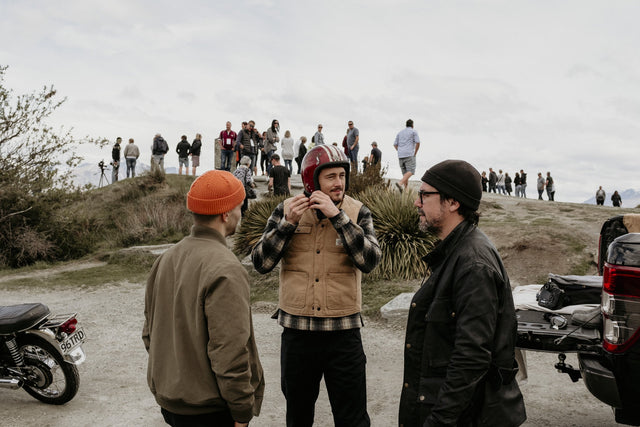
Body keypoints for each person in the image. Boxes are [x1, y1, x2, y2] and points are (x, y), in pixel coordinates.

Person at [251, 144, 381, 426]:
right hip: (298, 335)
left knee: (353, 418)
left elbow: (370, 260)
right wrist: (287, 225)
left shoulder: (357, 212)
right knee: (298, 417)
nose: (339, 183)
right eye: (331, 177)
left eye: (342, 176)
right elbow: (261, 263)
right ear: (312, 181)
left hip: (344, 335)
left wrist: (339, 218)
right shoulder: (286, 210)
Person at [399, 159, 526, 427]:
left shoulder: (473, 263)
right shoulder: (455, 251)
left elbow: (471, 355)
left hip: (465, 418)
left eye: (425, 194)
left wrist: (440, 420)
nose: (417, 203)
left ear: (453, 202)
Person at [143, 170, 265, 427]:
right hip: (209, 411)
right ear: (225, 213)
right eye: (239, 207)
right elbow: (230, 353)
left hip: (172, 402)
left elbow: (150, 334)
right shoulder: (226, 268)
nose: (241, 214)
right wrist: (242, 411)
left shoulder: (165, 259)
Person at [393, 119, 420, 193]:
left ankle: (406, 190)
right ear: (412, 125)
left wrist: (399, 151)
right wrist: (415, 153)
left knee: (405, 175)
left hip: (400, 155)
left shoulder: (400, 133)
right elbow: (418, 142)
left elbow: (395, 144)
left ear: (406, 125)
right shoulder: (414, 131)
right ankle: (400, 183)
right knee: (411, 171)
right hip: (409, 154)